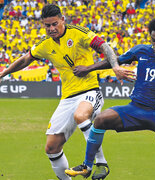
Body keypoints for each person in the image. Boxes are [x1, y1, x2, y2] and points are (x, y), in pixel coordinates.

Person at [0, 4, 135, 180]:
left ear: (62, 20)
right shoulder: (45, 44)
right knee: (51, 148)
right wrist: (3, 73)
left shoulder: (78, 33)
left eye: (55, 24)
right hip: (67, 97)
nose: (51, 29)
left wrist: (115, 67)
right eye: (47, 25)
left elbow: (105, 47)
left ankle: (100, 163)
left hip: (90, 90)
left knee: (81, 116)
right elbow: (26, 59)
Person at [65, 15, 155, 180]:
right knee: (101, 120)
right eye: (153, 40)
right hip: (135, 109)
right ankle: (87, 166)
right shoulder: (141, 50)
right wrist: (88, 68)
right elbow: (115, 61)